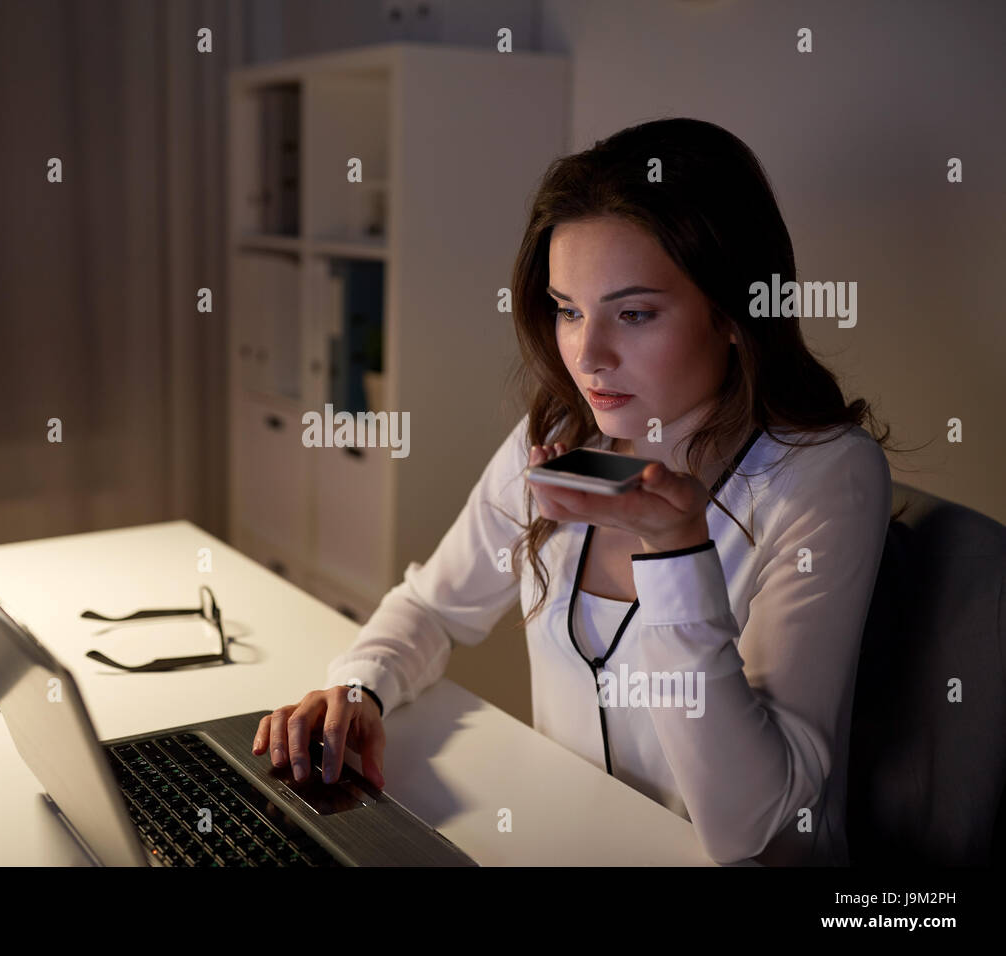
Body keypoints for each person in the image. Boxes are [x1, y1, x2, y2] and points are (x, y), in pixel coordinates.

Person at [251, 117, 902, 866]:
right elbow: (434, 605)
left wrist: (678, 554)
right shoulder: (568, 432)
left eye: (633, 313)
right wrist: (359, 691)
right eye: (568, 310)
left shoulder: (826, 476)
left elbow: (742, 824)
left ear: (733, 314)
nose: (587, 356)